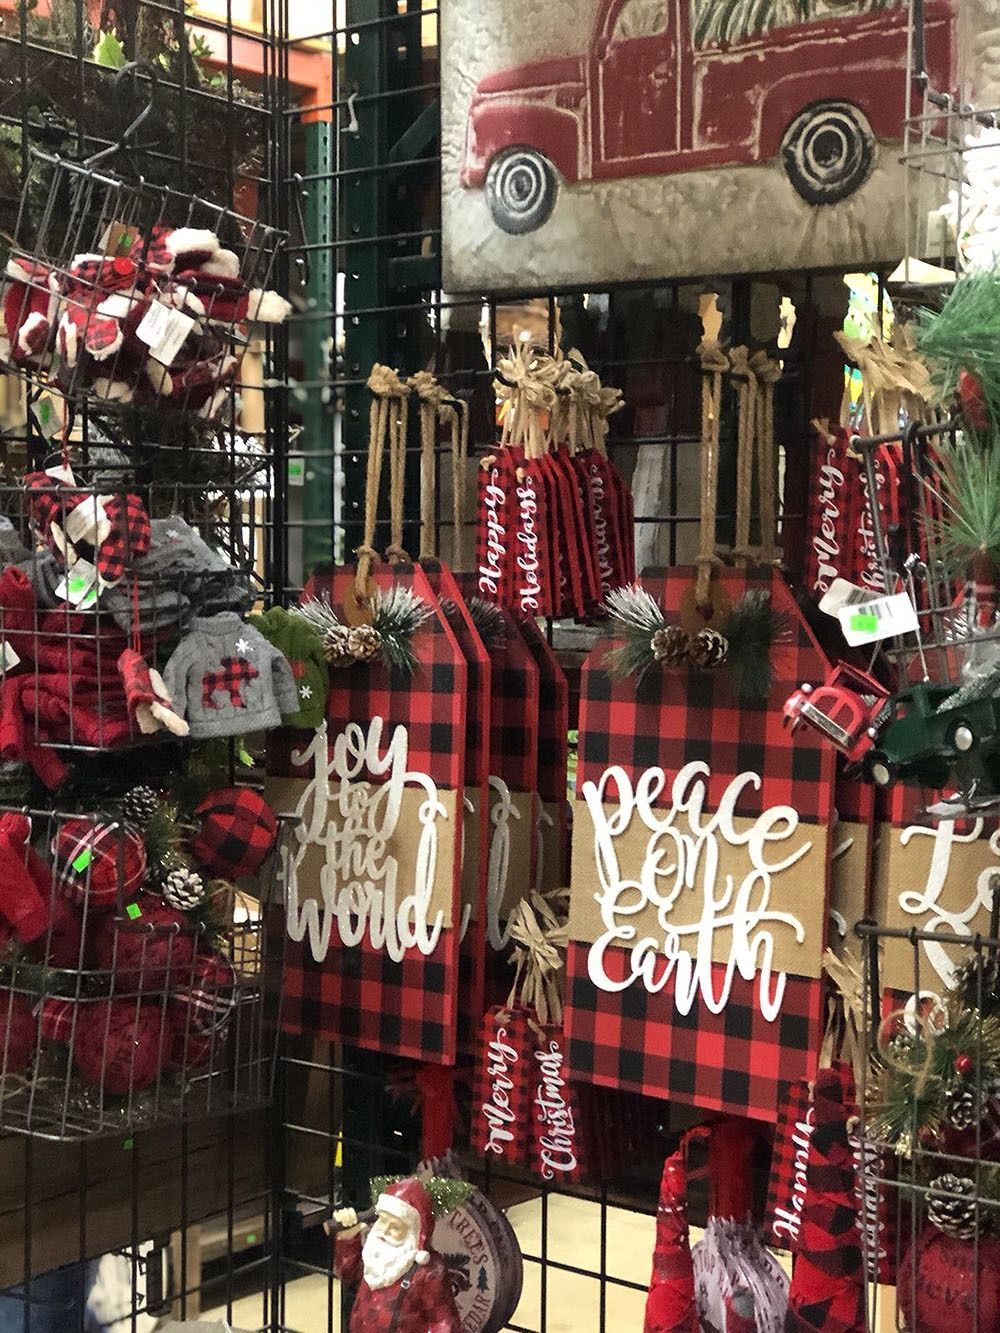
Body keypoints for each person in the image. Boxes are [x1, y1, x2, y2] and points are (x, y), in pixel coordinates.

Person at [331, 1178, 461, 1333]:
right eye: (383, 1221)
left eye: (395, 1227)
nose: (385, 1231)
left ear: (413, 1232)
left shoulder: (428, 1272)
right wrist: (348, 1240)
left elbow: (442, 1322)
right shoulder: (375, 1254)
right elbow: (347, 1272)